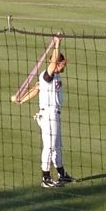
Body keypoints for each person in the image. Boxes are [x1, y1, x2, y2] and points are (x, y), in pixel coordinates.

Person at [36, 40, 71, 188]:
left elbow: (36, 89)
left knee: (57, 146)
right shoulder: (47, 75)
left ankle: (62, 174)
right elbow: (52, 63)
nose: (65, 65)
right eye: (63, 63)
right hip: (49, 115)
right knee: (49, 147)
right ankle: (46, 178)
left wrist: (20, 99)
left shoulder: (56, 76)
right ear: (57, 63)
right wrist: (57, 43)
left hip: (54, 114)